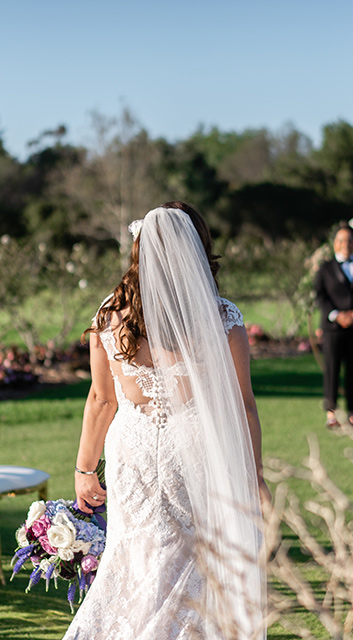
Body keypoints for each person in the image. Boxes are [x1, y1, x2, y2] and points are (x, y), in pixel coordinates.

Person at [67, 202, 269, 640]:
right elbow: (243, 406)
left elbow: (102, 400)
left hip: (132, 452)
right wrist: (255, 476)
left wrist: (85, 469)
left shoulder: (109, 316)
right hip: (195, 450)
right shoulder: (221, 317)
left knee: (134, 554)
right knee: (193, 559)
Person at [313, 224, 353, 429]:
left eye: (349, 240)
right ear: (334, 243)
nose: (345, 245)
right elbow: (320, 296)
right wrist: (336, 315)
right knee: (331, 368)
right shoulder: (325, 268)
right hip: (333, 328)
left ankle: (352, 412)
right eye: (341, 240)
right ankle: (331, 413)